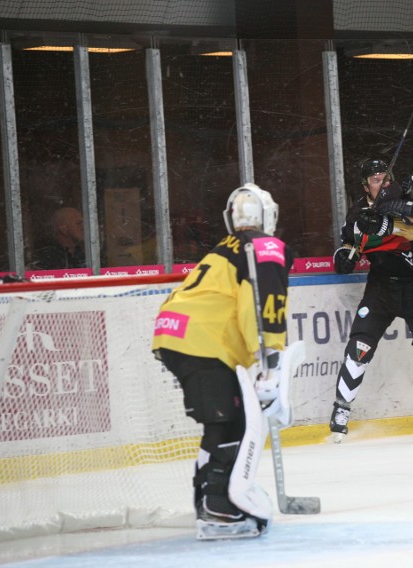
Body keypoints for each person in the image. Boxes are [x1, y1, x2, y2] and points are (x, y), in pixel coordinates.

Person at [152, 183, 293, 540]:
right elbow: (262, 306)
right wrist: (270, 361)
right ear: (268, 216)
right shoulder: (265, 246)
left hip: (177, 334)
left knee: (223, 421)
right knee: (232, 422)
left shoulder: (225, 247)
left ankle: (208, 498)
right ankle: (218, 507)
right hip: (202, 341)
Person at [329, 158, 413, 442]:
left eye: (386, 178)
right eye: (376, 179)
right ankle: (340, 410)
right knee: (359, 348)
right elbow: (348, 245)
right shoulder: (357, 212)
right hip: (382, 288)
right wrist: (345, 254)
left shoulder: (406, 198)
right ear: (365, 186)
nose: (383, 183)